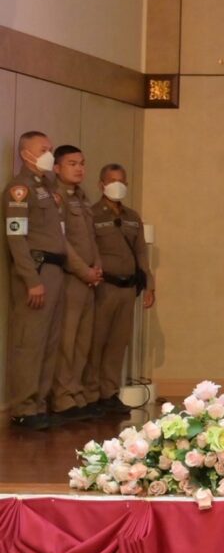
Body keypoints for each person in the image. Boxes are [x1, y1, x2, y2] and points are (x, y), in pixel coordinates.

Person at [4, 131, 91, 430]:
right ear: (25, 154)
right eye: (43, 149)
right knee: (30, 342)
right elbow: (16, 237)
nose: (49, 154)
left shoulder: (49, 189)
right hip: (36, 269)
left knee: (50, 342)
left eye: (50, 149)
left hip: (55, 270)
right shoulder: (20, 189)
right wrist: (31, 279)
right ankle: (24, 407)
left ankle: (40, 404)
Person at [88, 163, 155, 415]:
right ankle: (90, 394)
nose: (118, 185)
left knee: (118, 343)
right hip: (103, 287)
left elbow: (141, 253)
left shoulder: (132, 217)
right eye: (112, 180)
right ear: (101, 184)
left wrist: (149, 285)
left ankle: (109, 393)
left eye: (122, 181)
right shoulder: (93, 214)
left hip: (128, 289)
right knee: (96, 341)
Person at [49, 145, 103, 422]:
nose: (79, 168)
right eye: (72, 163)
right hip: (71, 277)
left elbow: (90, 239)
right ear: (57, 168)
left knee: (83, 341)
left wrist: (97, 267)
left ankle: (77, 393)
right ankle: (62, 397)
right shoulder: (55, 197)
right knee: (67, 342)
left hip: (89, 278)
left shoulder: (82, 197)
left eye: (81, 163)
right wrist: (84, 270)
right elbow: (62, 242)